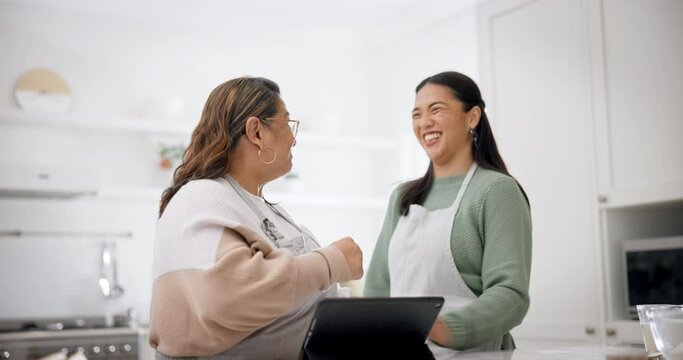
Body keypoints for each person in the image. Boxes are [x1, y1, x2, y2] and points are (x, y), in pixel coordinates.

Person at [149, 76, 363, 359]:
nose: (294, 138)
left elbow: (292, 300)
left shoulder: (260, 206)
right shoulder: (202, 197)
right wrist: (332, 262)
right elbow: (231, 296)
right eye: (287, 123)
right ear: (256, 131)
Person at [364, 71, 532, 356]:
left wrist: (442, 329)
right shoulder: (402, 198)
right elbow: (378, 289)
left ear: (472, 117)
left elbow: (510, 295)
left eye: (436, 110)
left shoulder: (496, 191)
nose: (424, 122)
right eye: (416, 114)